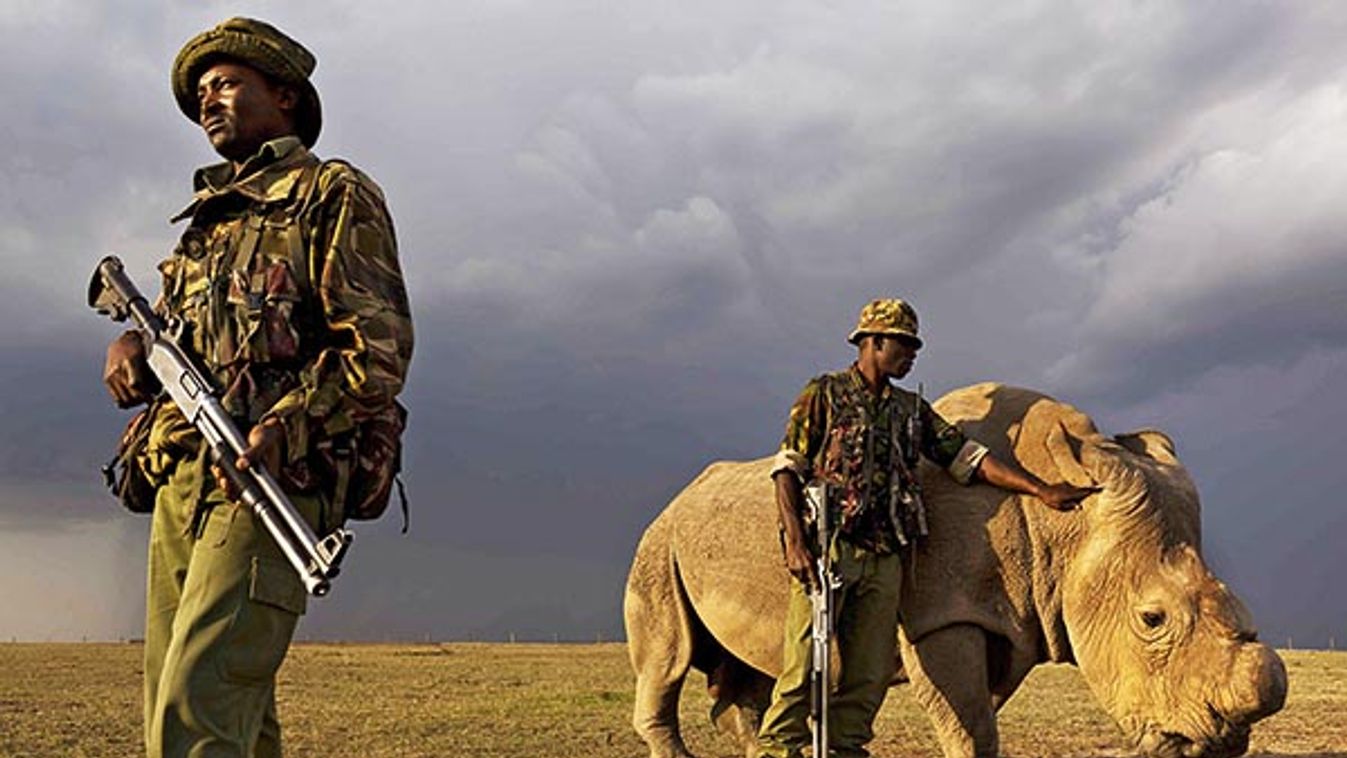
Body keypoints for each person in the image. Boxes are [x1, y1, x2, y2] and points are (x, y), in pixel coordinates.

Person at [101, 17, 413, 757]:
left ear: (284, 97)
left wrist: (287, 425)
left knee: (196, 709)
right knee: (206, 705)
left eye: (229, 84)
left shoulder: (329, 192)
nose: (210, 100)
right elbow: (179, 337)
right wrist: (130, 347)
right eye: (202, 91)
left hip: (268, 475)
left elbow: (377, 350)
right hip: (181, 476)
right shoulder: (203, 227)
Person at [754, 298, 1091, 758]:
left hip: (886, 556)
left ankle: (844, 749)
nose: (912, 354)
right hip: (830, 549)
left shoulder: (911, 410)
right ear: (872, 343)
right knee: (803, 665)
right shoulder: (825, 394)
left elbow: (967, 459)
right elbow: (787, 469)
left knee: (869, 672)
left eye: (915, 347)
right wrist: (795, 542)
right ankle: (777, 749)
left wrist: (1039, 489)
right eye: (904, 345)